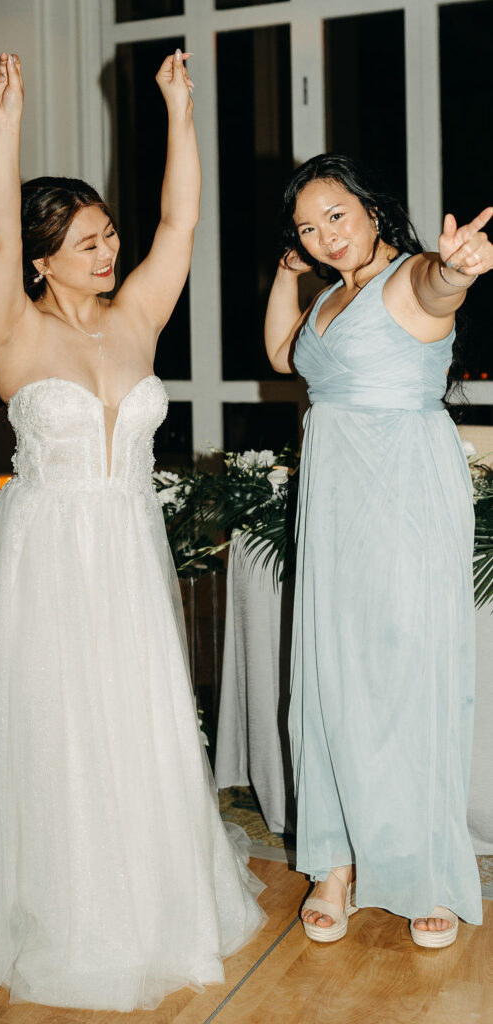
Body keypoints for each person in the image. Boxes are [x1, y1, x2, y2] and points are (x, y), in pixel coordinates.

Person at [0, 50, 264, 1011]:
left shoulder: (138, 319)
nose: (107, 252)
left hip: (125, 552)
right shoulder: (12, 329)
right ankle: (59, 914)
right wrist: (5, 126)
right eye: (82, 242)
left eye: (107, 234)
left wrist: (179, 110)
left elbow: (182, 221)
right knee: (55, 735)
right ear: (39, 258)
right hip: (43, 558)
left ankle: (151, 898)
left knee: (136, 726)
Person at [264, 153, 491, 948]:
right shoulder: (331, 293)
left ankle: (427, 865)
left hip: (402, 496)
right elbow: (281, 357)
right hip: (334, 504)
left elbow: (436, 288)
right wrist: (288, 274)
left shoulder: (405, 277)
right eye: (306, 227)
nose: (326, 234)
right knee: (332, 673)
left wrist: (456, 271)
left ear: (368, 207)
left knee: (407, 674)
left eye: (335, 215)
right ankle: (336, 862)